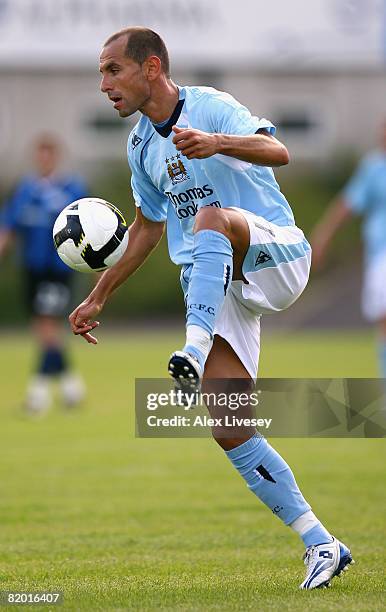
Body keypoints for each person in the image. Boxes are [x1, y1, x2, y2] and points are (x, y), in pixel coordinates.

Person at [69, 27, 353, 589]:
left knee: (211, 220)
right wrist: (99, 294)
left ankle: (192, 348)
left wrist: (217, 143)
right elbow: (149, 228)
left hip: (277, 254)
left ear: (151, 68)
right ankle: (321, 542)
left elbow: (280, 149)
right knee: (229, 427)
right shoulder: (139, 146)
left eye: (112, 70)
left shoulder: (211, 107)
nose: (104, 84)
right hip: (216, 279)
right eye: (101, 73)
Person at [0, 134, 87, 413]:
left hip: (58, 269)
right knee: (43, 329)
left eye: (48, 154)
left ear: (56, 157)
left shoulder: (72, 189)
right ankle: (72, 387)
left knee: (48, 327)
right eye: (40, 155)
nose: (43, 160)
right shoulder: (26, 190)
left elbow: (91, 229)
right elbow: (9, 227)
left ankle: (38, 394)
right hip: (32, 268)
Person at [311, 122, 386, 379]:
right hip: (381, 254)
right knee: (383, 319)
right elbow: (347, 204)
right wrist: (323, 236)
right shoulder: (374, 167)